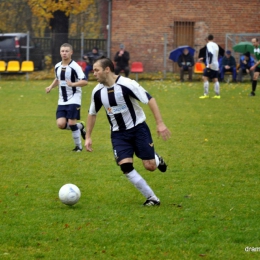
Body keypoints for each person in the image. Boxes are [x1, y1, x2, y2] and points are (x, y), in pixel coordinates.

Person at [85, 57, 171, 206]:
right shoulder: (97, 92)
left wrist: (160, 123)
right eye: (93, 71)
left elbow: (150, 99)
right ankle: (152, 198)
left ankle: (155, 158)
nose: (94, 73)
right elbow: (92, 113)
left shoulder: (127, 84)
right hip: (118, 134)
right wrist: (88, 136)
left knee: (150, 166)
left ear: (107, 69)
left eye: (96, 70)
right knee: (125, 166)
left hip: (138, 129)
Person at [45, 43, 88, 152]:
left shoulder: (75, 67)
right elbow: (57, 79)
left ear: (71, 52)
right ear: (60, 53)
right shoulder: (57, 66)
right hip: (62, 100)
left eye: (66, 51)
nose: (64, 53)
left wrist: (73, 84)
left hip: (74, 98)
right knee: (60, 124)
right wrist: (50, 87)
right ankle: (81, 127)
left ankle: (78, 147)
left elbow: (85, 81)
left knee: (71, 123)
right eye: (62, 51)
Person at [198, 34, 221, 99]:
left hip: (211, 64)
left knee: (205, 78)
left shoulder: (209, 44)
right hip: (216, 64)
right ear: (213, 39)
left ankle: (206, 94)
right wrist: (204, 58)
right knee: (215, 79)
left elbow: (210, 53)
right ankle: (217, 95)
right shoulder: (216, 45)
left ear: (207, 39)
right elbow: (215, 55)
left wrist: (210, 63)